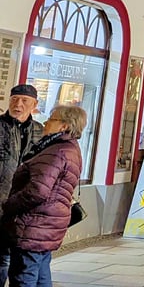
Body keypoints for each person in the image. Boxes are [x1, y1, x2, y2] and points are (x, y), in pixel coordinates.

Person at [1, 105, 85, 286]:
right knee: (40, 273)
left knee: (25, 275)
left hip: (34, 223)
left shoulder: (57, 152)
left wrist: (9, 204)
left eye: (52, 119)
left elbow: (38, 190)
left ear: (64, 126)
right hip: (47, 223)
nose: (46, 122)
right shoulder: (67, 148)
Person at [0, 85, 43, 283]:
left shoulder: (40, 131)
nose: (18, 104)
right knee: (1, 257)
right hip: (1, 200)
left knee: (20, 258)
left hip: (24, 204)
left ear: (34, 104)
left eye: (24, 100)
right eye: (14, 99)